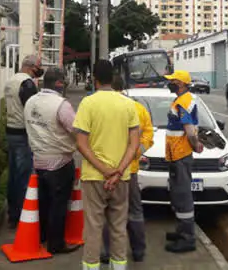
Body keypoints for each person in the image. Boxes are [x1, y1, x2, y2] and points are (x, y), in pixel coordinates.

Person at [73, 60, 140, 270]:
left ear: (95, 79)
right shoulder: (128, 104)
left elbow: (81, 144)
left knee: (93, 228)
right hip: (122, 178)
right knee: (119, 228)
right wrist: (118, 171)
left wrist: (105, 170)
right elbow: (134, 144)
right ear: (113, 78)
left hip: (94, 177)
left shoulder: (88, 104)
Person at [23, 67, 80, 254]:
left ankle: (42, 236)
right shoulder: (60, 105)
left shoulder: (31, 102)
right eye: (63, 82)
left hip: (38, 160)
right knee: (59, 204)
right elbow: (76, 129)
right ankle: (56, 244)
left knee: (44, 201)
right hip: (59, 162)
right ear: (58, 83)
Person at [100, 75, 154, 264]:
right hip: (129, 169)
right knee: (134, 211)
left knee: (108, 211)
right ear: (124, 87)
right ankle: (138, 251)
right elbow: (148, 131)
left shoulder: (99, 106)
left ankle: (107, 252)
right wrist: (138, 151)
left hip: (106, 169)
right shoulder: (137, 108)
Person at [164, 70, 204, 253]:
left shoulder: (183, 102)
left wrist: (196, 145)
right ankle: (181, 231)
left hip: (180, 156)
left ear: (181, 84)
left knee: (183, 196)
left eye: (172, 81)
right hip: (177, 155)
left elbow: (189, 130)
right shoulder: (182, 100)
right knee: (178, 195)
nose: (169, 83)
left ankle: (187, 238)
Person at [4, 54, 44, 229]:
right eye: (38, 66)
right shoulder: (27, 84)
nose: (39, 70)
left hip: (10, 131)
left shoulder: (10, 81)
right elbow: (33, 110)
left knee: (13, 175)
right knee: (23, 177)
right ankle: (22, 215)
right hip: (23, 134)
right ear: (30, 67)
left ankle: (12, 213)